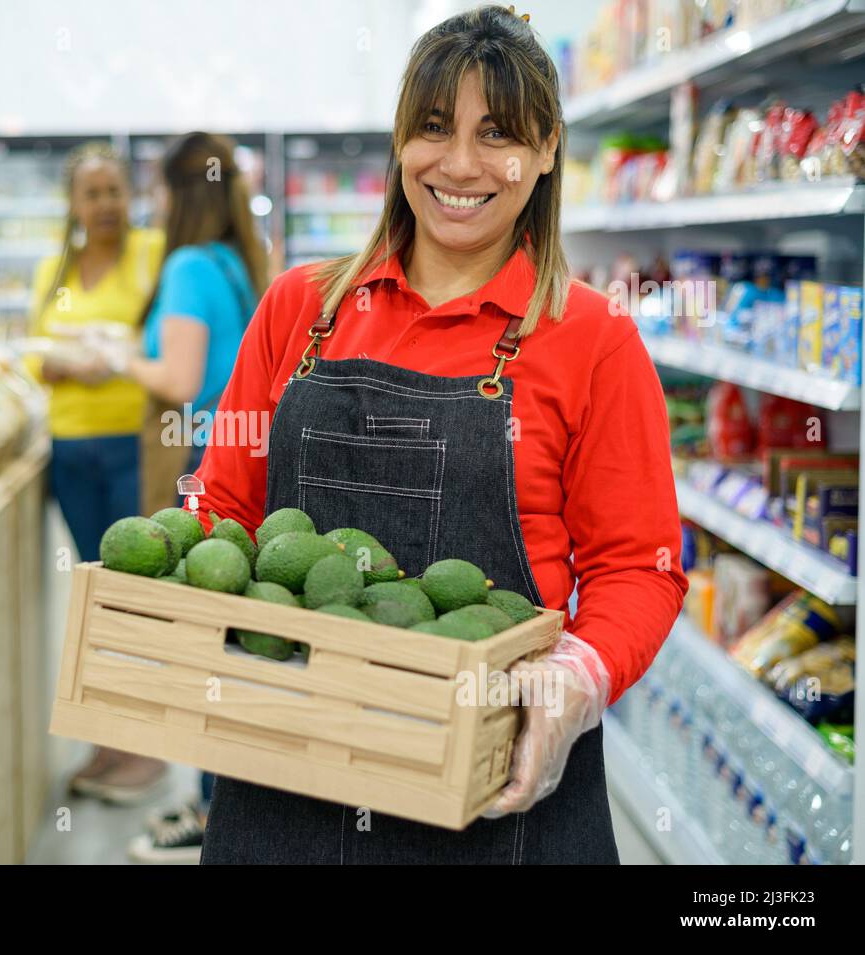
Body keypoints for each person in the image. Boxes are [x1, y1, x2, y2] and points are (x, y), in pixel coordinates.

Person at [191, 4, 687, 864]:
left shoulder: (594, 341)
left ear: (546, 149)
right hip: (286, 774)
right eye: (432, 128)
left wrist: (574, 680)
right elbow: (221, 507)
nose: (460, 165)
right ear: (398, 139)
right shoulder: (299, 311)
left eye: (498, 134)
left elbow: (639, 567)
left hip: (498, 792)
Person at [99, 132, 266, 862]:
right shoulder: (240, 261)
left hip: (205, 459)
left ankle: (207, 809)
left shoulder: (190, 265)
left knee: (199, 631)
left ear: (179, 194)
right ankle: (225, 801)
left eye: (159, 190)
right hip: (247, 454)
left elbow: (180, 380)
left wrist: (117, 356)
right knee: (229, 632)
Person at [27, 143, 169, 804]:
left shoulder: (154, 254)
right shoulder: (52, 269)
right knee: (93, 594)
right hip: (71, 450)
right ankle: (110, 741)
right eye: (93, 193)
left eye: (115, 190)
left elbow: (167, 339)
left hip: (131, 444)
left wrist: (113, 357)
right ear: (74, 203)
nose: (106, 204)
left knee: (133, 595)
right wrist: (66, 364)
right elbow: (35, 354)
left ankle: (145, 749)